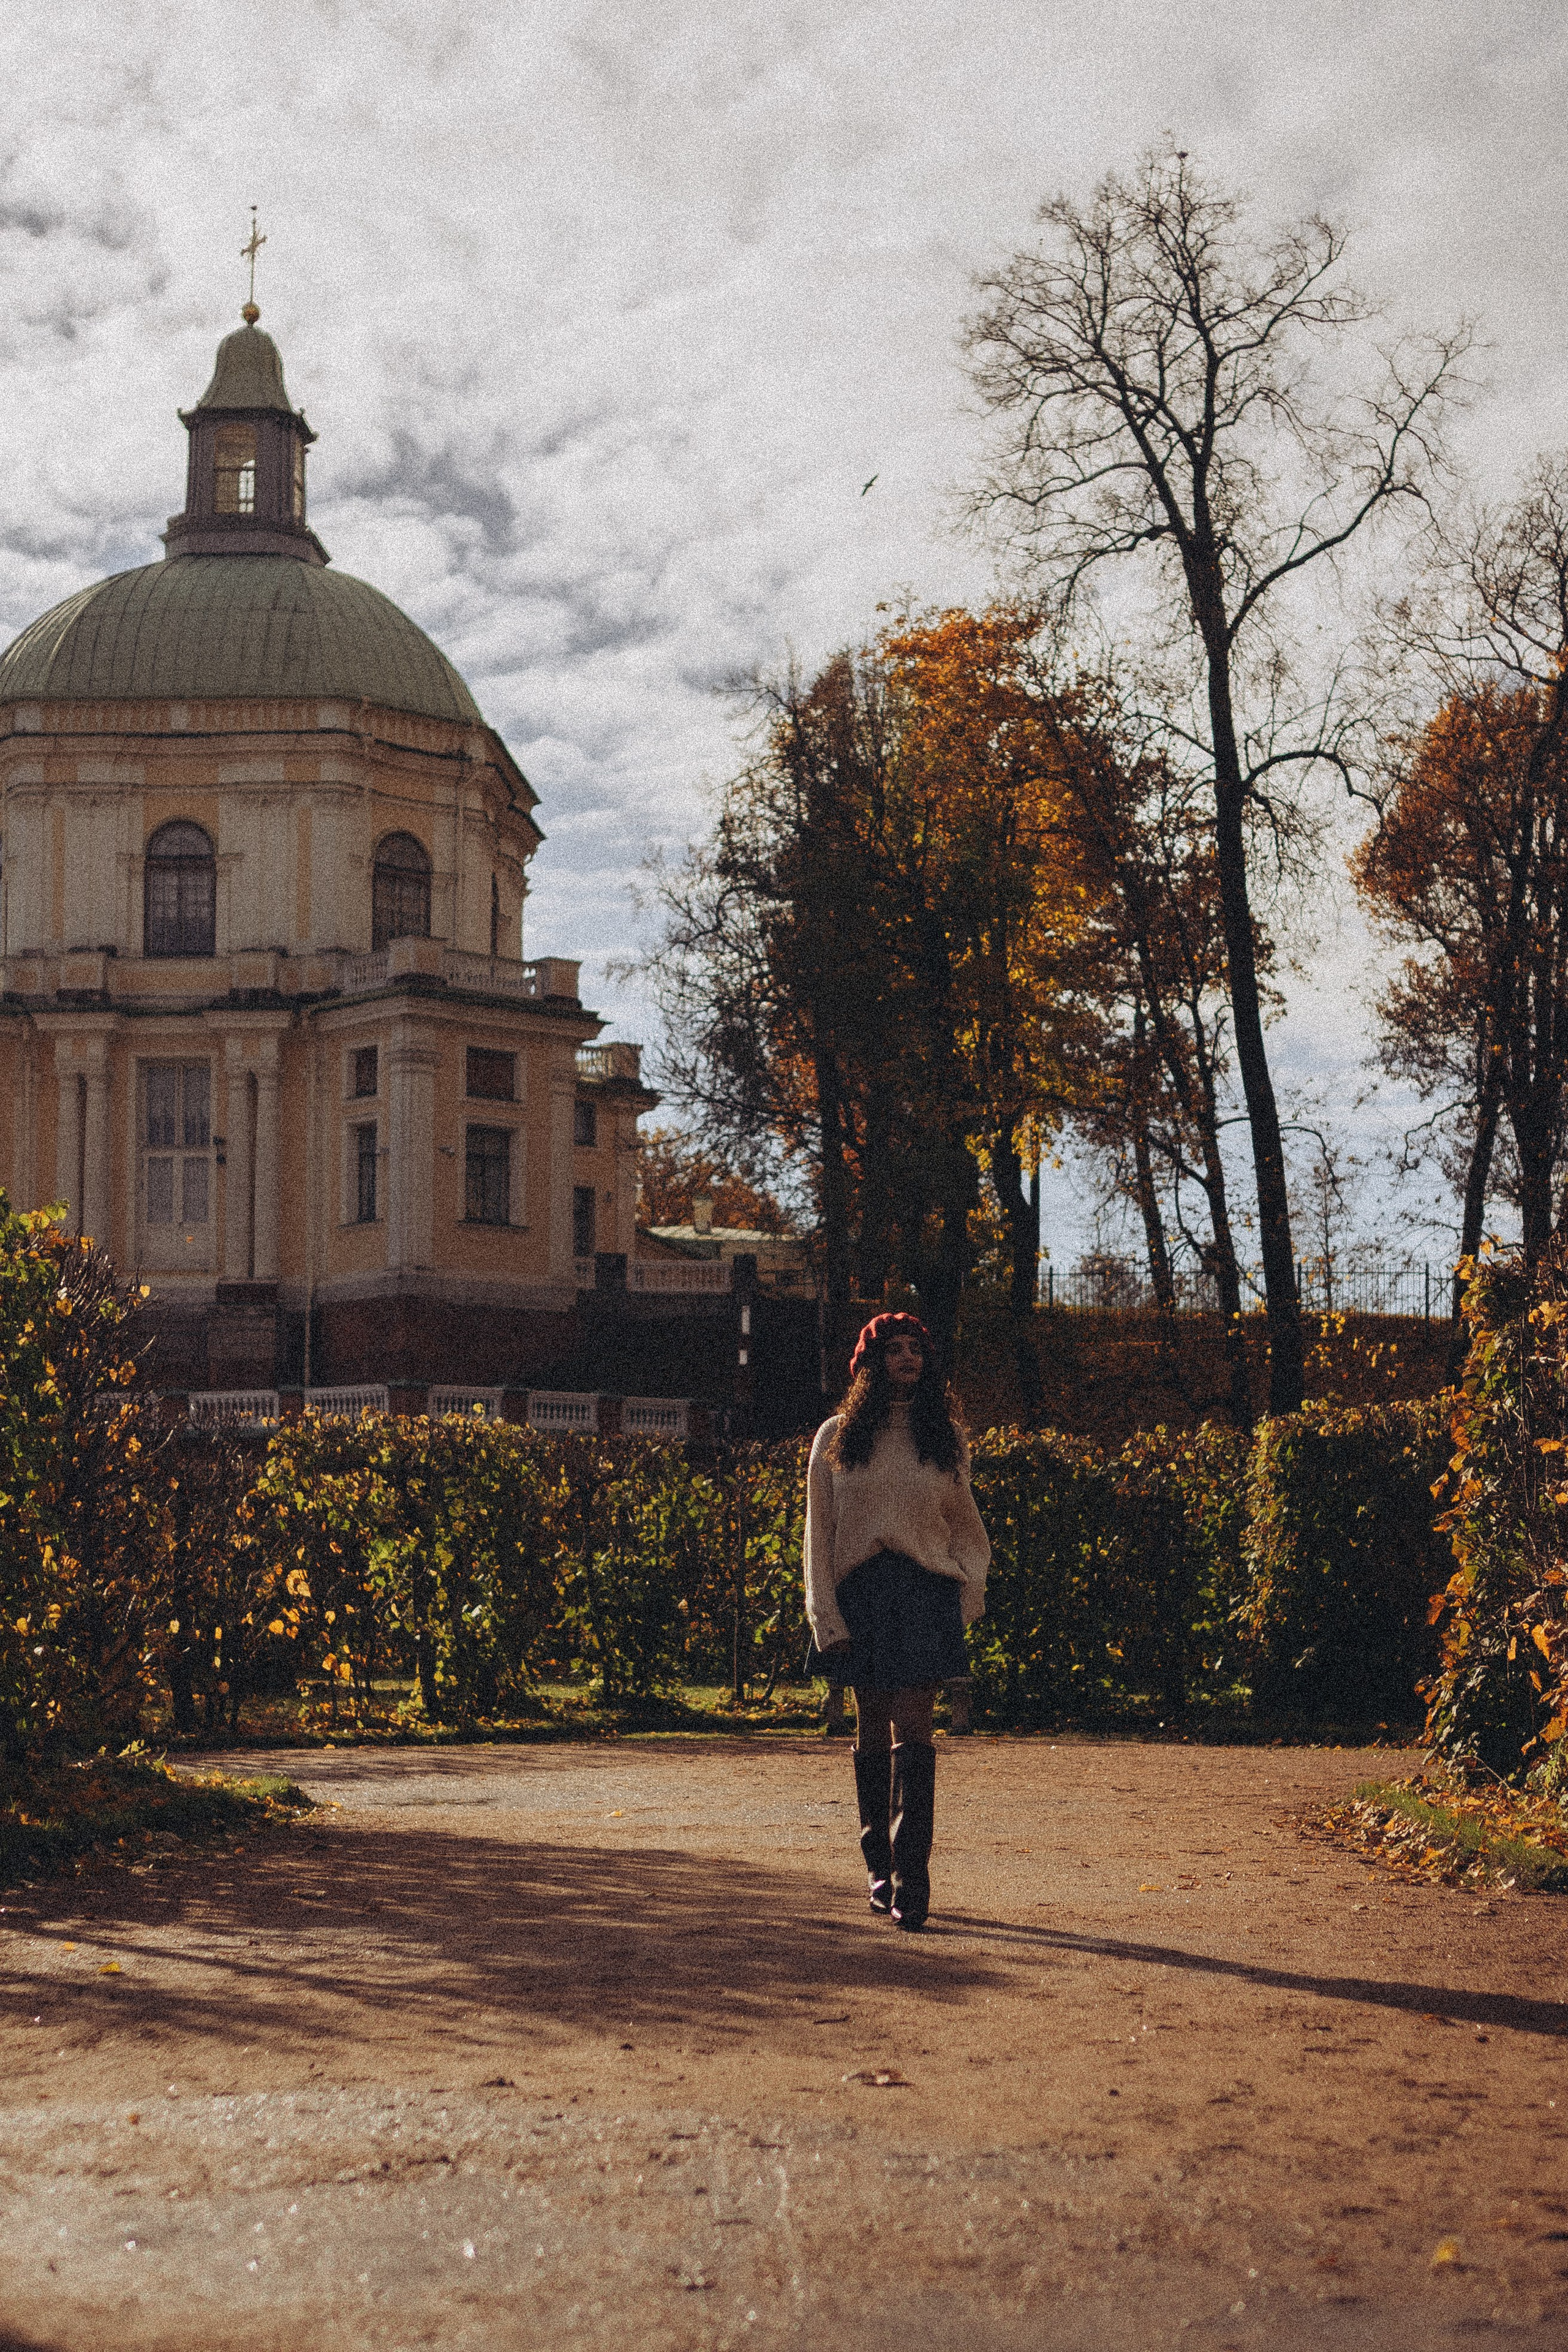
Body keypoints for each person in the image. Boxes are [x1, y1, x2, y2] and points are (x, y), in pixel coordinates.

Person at [803, 1313, 990, 1930]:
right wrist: (824, 1614)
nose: (907, 1359)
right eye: (894, 1350)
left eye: (916, 1349)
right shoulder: (836, 1436)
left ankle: (915, 1878)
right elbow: (819, 1536)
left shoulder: (946, 1438)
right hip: (863, 1592)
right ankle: (877, 1866)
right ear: (869, 1363)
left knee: (916, 1725)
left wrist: (967, 1588)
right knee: (873, 1725)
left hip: (926, 1594)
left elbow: (967, 1527)